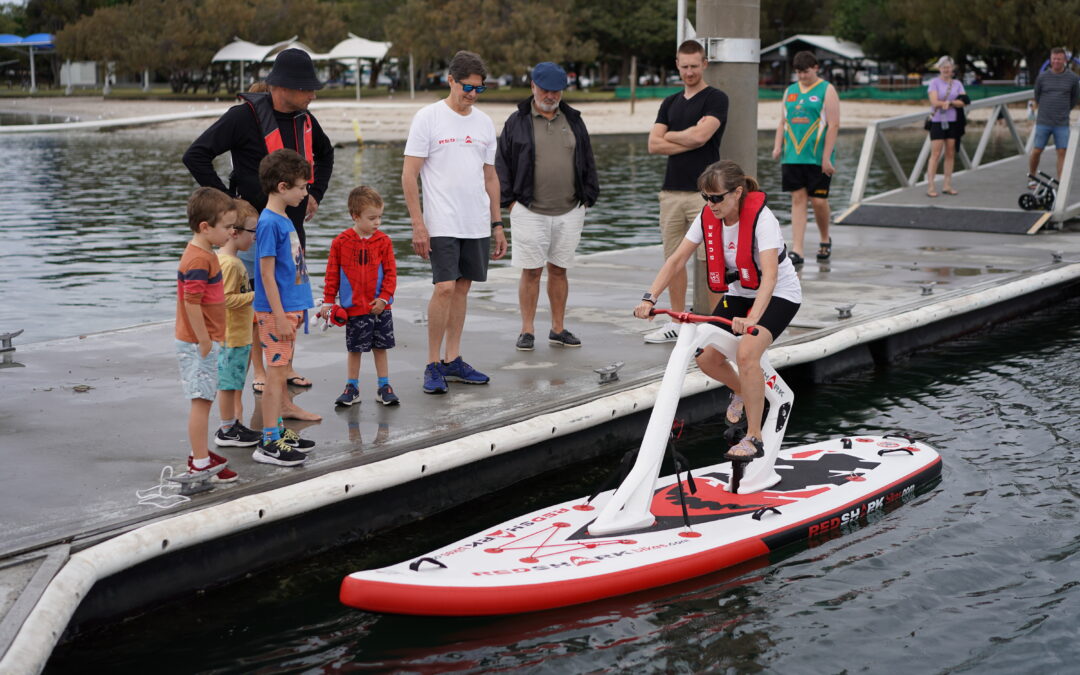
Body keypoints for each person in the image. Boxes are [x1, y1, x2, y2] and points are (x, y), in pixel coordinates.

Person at [183, 48, 335, 389]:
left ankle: (286, 366)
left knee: (290, 299)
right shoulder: (243, 117)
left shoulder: (306, 119)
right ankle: (263, 372)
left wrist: (316, 193)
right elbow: (195, 155)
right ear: (283, 86)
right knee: (257, 302)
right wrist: (227, 205)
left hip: (292, 228)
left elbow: (325, 154)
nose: (313, 95)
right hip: (252, 229)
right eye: (307, 88)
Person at [633, 160, 802, 459]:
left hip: (779, 294)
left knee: (747, 352)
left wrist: (751, 319)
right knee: (707, 358)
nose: (711, 205)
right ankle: (742, 390)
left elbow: (771, 276)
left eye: (716, 198)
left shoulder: (764, 221)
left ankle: (754, 437)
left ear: (737, 193)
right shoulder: (707, 218)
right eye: (705, 198)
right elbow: (676, 260)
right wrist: (650, 298)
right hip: (739, 293)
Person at [402, 50, 508, 394]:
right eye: (467, 87)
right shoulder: (428, 117)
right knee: (444, 287)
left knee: (463, 287)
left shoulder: (483, 123)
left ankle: (453, 359)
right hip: (441, 221)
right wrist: (418, 224)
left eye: (479, 88)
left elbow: (490, 177)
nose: (473, 94)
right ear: (451, 80)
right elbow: (409, 174)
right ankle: (432, 363)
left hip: (476, 221)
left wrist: (497, 223)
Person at [496, 61, 599, 351]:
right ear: (533, 87)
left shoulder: (574, 120)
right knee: (531, 270)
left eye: (556, 91)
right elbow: (501, 163)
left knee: (559, 269)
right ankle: (527, 330)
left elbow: (587, 159)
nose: (551, 96)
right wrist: (511, 203)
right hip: (528, 209)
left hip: (570, 209)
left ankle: (558, 328)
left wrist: (588, 198)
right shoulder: (516, 121)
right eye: (545, 90)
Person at [646, 39, 729, 343]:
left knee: (711, 258)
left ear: (704, 64)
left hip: (704, 193)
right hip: (671, 193)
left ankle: (716, 321)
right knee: (673, 259)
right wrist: (688, 137)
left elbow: (702, 136)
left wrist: (672, 135)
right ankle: (678, 321)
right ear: (677, 66)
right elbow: (653, 144)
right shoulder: (669, 103)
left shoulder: (716, 98)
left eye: (695, 66)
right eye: (685, 67)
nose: (690, 72)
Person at [252, 149, 318, 467]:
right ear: (282, 187)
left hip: (289, 309)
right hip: (275, 313)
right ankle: (268, 442)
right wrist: (278, 315)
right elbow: (265, 273)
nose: (305, 193)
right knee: (275, 377)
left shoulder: (283, 220)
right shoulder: (269, 223)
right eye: (302, 187)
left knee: (281, 374)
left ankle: (278, 431)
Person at [175, 188, 239, 484]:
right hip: (197, 342)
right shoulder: (199, 260)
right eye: (227, 227)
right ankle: (199, 462)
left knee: (205, 399)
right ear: (205, 226)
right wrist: (203, 340)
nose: (232, 232)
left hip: (206, 340)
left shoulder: (206, 254)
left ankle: (200, 455)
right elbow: (191, 302)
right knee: (201, 401)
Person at [318, 186, 401, 407]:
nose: (377, 223)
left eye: (380, 217)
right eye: (372, 218)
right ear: (355, 216)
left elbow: (391, 274)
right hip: (354, 308)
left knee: (380, 347)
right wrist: (328, 300)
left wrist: (384, 298)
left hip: (380, 307)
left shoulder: (384, 241)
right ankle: (352, 387)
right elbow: (332, 273)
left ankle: (384, 386)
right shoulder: (340, 242)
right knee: (354, 349)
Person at [772, 50, 840, 266]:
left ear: (816, 68)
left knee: (819, 200)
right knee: (798, 200)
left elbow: (833, 124)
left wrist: (827, 157)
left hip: (817, 157)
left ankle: (824, 238)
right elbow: (783, 122)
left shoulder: (826, 90)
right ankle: (798, 249)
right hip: (793, 156)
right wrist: (777, 147)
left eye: (806, 72)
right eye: (798, 72)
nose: (802, 76)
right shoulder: (790, 91)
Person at [214, 199, 263, 449]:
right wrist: (255, 295)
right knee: (228, 384)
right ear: (235, 232)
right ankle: (226, 429)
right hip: (231, 337)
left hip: (239, 334)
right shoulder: (231, 264)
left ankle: (233, 424)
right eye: (252, 232)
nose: (254, 238)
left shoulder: (232, 261)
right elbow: (225, 299)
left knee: (235, 384)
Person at [1029, 47, 1080, 183]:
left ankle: (1061, 183)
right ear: (1050, 60)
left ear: (1065, 60)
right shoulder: (1042, 77)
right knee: (1037, 151)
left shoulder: (1073, 78)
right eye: (1054, 59)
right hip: (1043, 122)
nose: (1056, 61)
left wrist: (1063, 110)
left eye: (1059, 59)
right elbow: (1037, 96)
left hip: (1062, 123)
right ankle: (1032, 176)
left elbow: (1074, 99)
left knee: (1062, 152)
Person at [925, 56, 967, 197]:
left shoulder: (957, 83)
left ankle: (947, 185)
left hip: (953, 121)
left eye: (948, 67)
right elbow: (934, 101)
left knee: (950, 153)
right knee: (935, 154)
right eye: (944, 67)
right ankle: (931, 186)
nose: (946, 70)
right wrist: (950, 102)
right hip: (937, 121)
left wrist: (951, 103)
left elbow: (964, 101)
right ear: (939, 68)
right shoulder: (934, 82)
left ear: (952, 68)